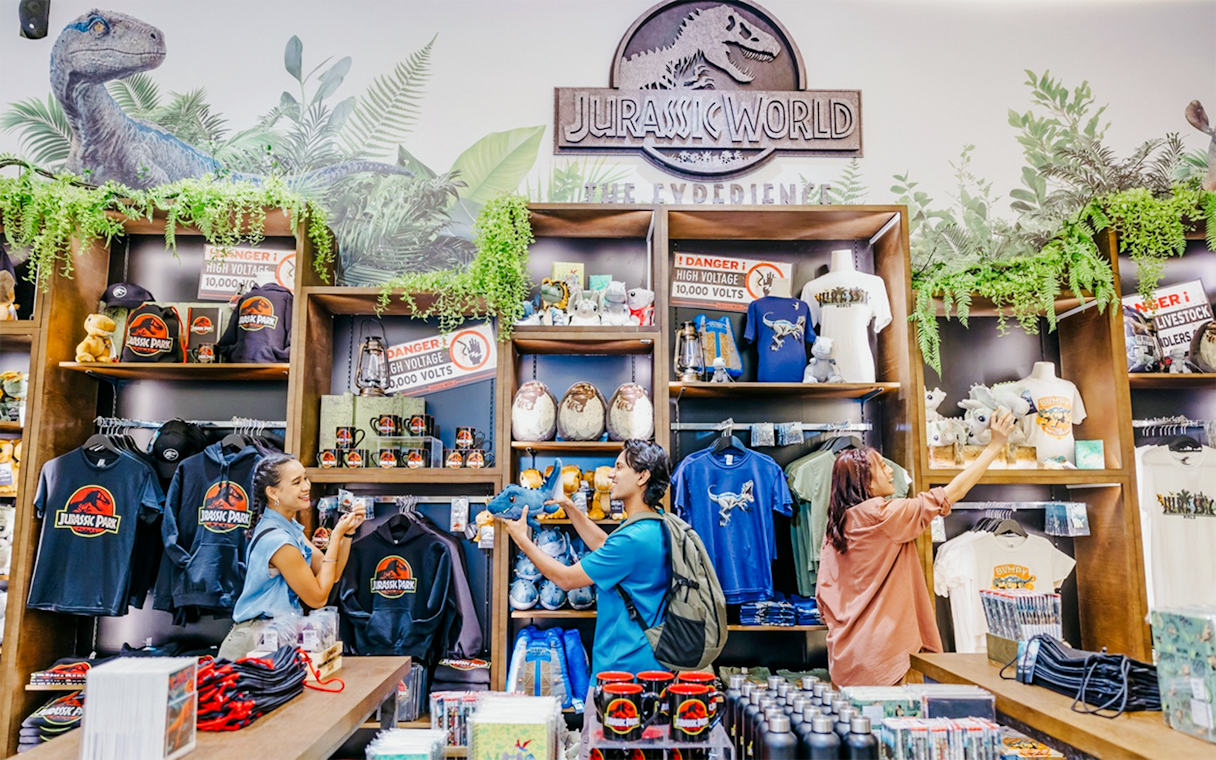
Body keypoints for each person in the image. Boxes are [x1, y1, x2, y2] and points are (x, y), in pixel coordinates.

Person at [816, 411, 1015, 686]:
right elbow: (952, 492)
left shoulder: (837, 525)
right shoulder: (886, 515)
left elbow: (823, 597)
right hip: (887, 657)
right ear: (867, 482)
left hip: (846, 657)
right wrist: (995, 445)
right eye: (881, 467)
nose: (889, 470)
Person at [500, 440, 671, 674]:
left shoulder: (631, 540)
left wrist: (522, 539)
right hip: (647, 662)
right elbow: (604, 545)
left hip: (621, 672)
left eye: (619, 468)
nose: (611, 474)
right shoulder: (653, 523)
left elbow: (567, 579)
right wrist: (570, 507)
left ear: (642, 477)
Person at [218, 454, 366, 660]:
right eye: (297, 482)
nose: (307, 487)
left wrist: (348, 533)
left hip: (274, 637)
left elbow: (330, 573)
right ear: (273, 492)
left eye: (305, 478)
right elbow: (317, 598)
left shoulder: (288, 529)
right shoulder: (279, 541)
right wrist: (336, 536)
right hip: (253, 642)